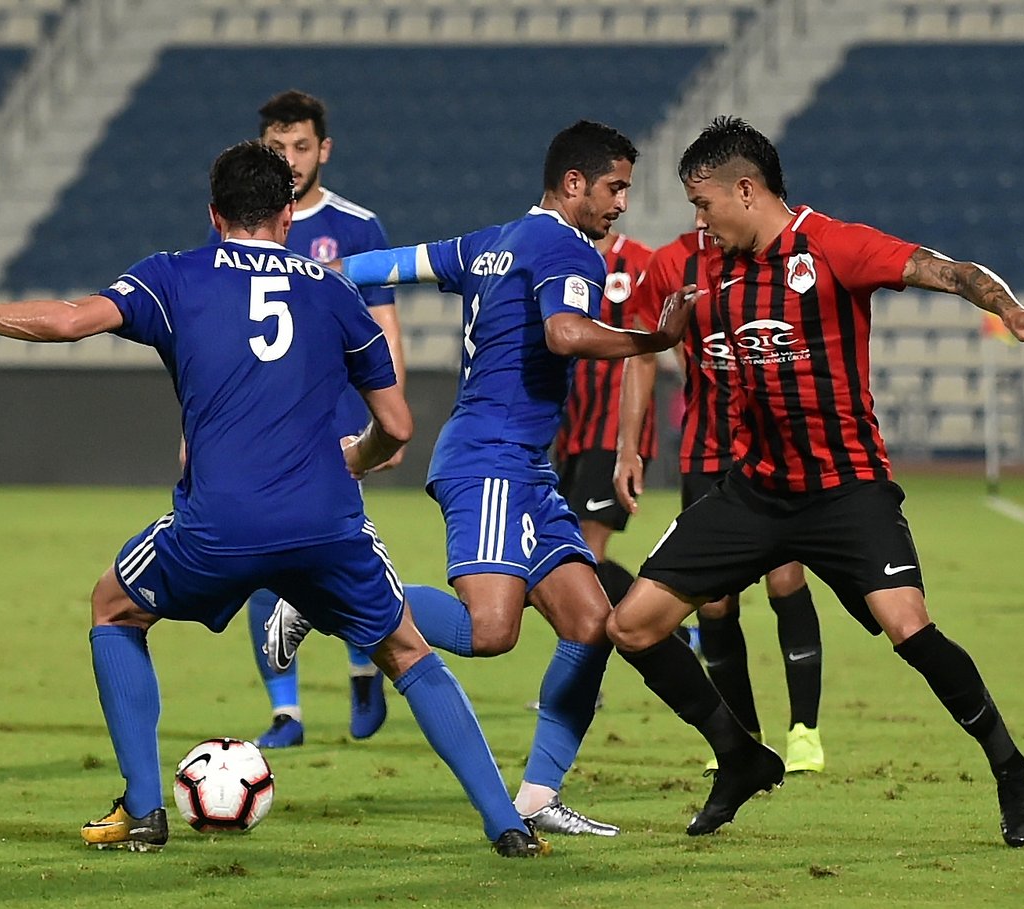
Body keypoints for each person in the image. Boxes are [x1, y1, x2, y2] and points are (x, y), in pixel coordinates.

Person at [0, 140, 549, 858]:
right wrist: (353, 458)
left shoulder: (172, 277)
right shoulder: (334, 291)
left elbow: (69, 319)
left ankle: (143, 809)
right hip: (326, 522)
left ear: (214, 214)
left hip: (219, 524)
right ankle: (506, 823)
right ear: (289, 215)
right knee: (405, 649)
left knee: (114, 605)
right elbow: (396, 425)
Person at [605, 115, 1024, 845]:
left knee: (908, 626)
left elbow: (948, 269)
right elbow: (657, 344)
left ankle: (1011, 768)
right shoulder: (707, 271)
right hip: (754, 490)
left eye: (704, 204)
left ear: (746, 190)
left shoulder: (833, 246)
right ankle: (739, 754)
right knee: (630, 624)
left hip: (847, 488)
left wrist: (1006, 308)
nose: (698, 220)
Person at [268, 120, 702, 838]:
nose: (623, 202)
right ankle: (326, 598)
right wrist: (654, 339)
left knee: (591, 624)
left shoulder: (486, 242)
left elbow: (380, 267)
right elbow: (565, 332)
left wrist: (305, 276)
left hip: (521, 466)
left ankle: (536, 795)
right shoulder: (568, 248)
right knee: (491, 631)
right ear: (573, 184)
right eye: (615, 186)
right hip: (492, 458)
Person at [614, 228, 826, 774]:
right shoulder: (671, 263)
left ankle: (805, 730)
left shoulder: (781, 254)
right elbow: (641, 351)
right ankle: (743, 737)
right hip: (706, 453)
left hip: (773, 451)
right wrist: (628, 447)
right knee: (713, 603)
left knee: (786, 580)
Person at [232, 90, 405, 750]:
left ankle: (365, 662)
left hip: (334, 426)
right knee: (256, 566)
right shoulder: (243, 227)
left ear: (324, 149)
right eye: (278, 148)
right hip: (258, 428)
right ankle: (286, 713)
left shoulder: (359, 227)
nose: (292, 159)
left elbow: (385, 326)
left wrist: (387, 419)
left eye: (302, 146)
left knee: (336, 556)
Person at [554, 229, 655, 606]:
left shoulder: (640, 263)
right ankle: (660, 630)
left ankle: (663, 631)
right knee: (567, 546)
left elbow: (656, 345)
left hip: (614, 426)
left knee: (586, 546)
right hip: (573, 427)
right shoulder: (555, 258)